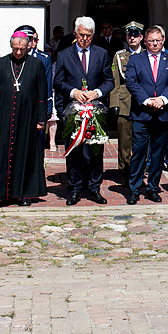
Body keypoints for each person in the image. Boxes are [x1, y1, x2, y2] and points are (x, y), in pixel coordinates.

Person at [0, 32, 48, 206]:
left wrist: (41, 120)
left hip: (28, 118)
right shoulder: (0, 64)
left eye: (22, 48)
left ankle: (25, 194)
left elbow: (42, 94)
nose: (18, 52)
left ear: (28, 46)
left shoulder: (36, 64)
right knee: (2, 154)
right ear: (11, 46)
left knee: (26, 154)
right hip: (4, 118)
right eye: (15, 48)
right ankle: (0, 194)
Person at [54, 16, 114, 205]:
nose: (85, 39)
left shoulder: (102, 54)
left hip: (95, 110)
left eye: (88, 35)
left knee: (95, 150)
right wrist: (73, 92)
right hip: (73, 110)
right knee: (74, 151)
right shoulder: (64, 54)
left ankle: (95, 188)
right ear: (75, 33)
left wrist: (96, 93)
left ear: (93, 35)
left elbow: (109, 80)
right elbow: (58, 81)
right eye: (81, 35)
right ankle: (75, 188)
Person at [124, 25, 168, 204]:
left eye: (158, 40)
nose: (154, 44)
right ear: (145, 41)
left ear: (163, 40)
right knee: (139, 152)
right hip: (142, 113)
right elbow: (131, 82)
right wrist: (147, 100)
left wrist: (163, 99)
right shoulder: (136, 59)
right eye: (151, 41)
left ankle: (152, 187)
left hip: (164, 113)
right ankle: (134, 188)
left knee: (158, 154)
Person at [110, 22, 144, 182]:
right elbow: (116, 81)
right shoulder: (119, 56)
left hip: (144, 104)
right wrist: (114, 104)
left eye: (136, 35)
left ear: (142, 37)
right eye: (130, 35)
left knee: (142, 140)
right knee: (124, 142)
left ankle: (140, 169)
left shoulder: (147, 54)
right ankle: (124, 170)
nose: (132, 37)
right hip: (125, 103)